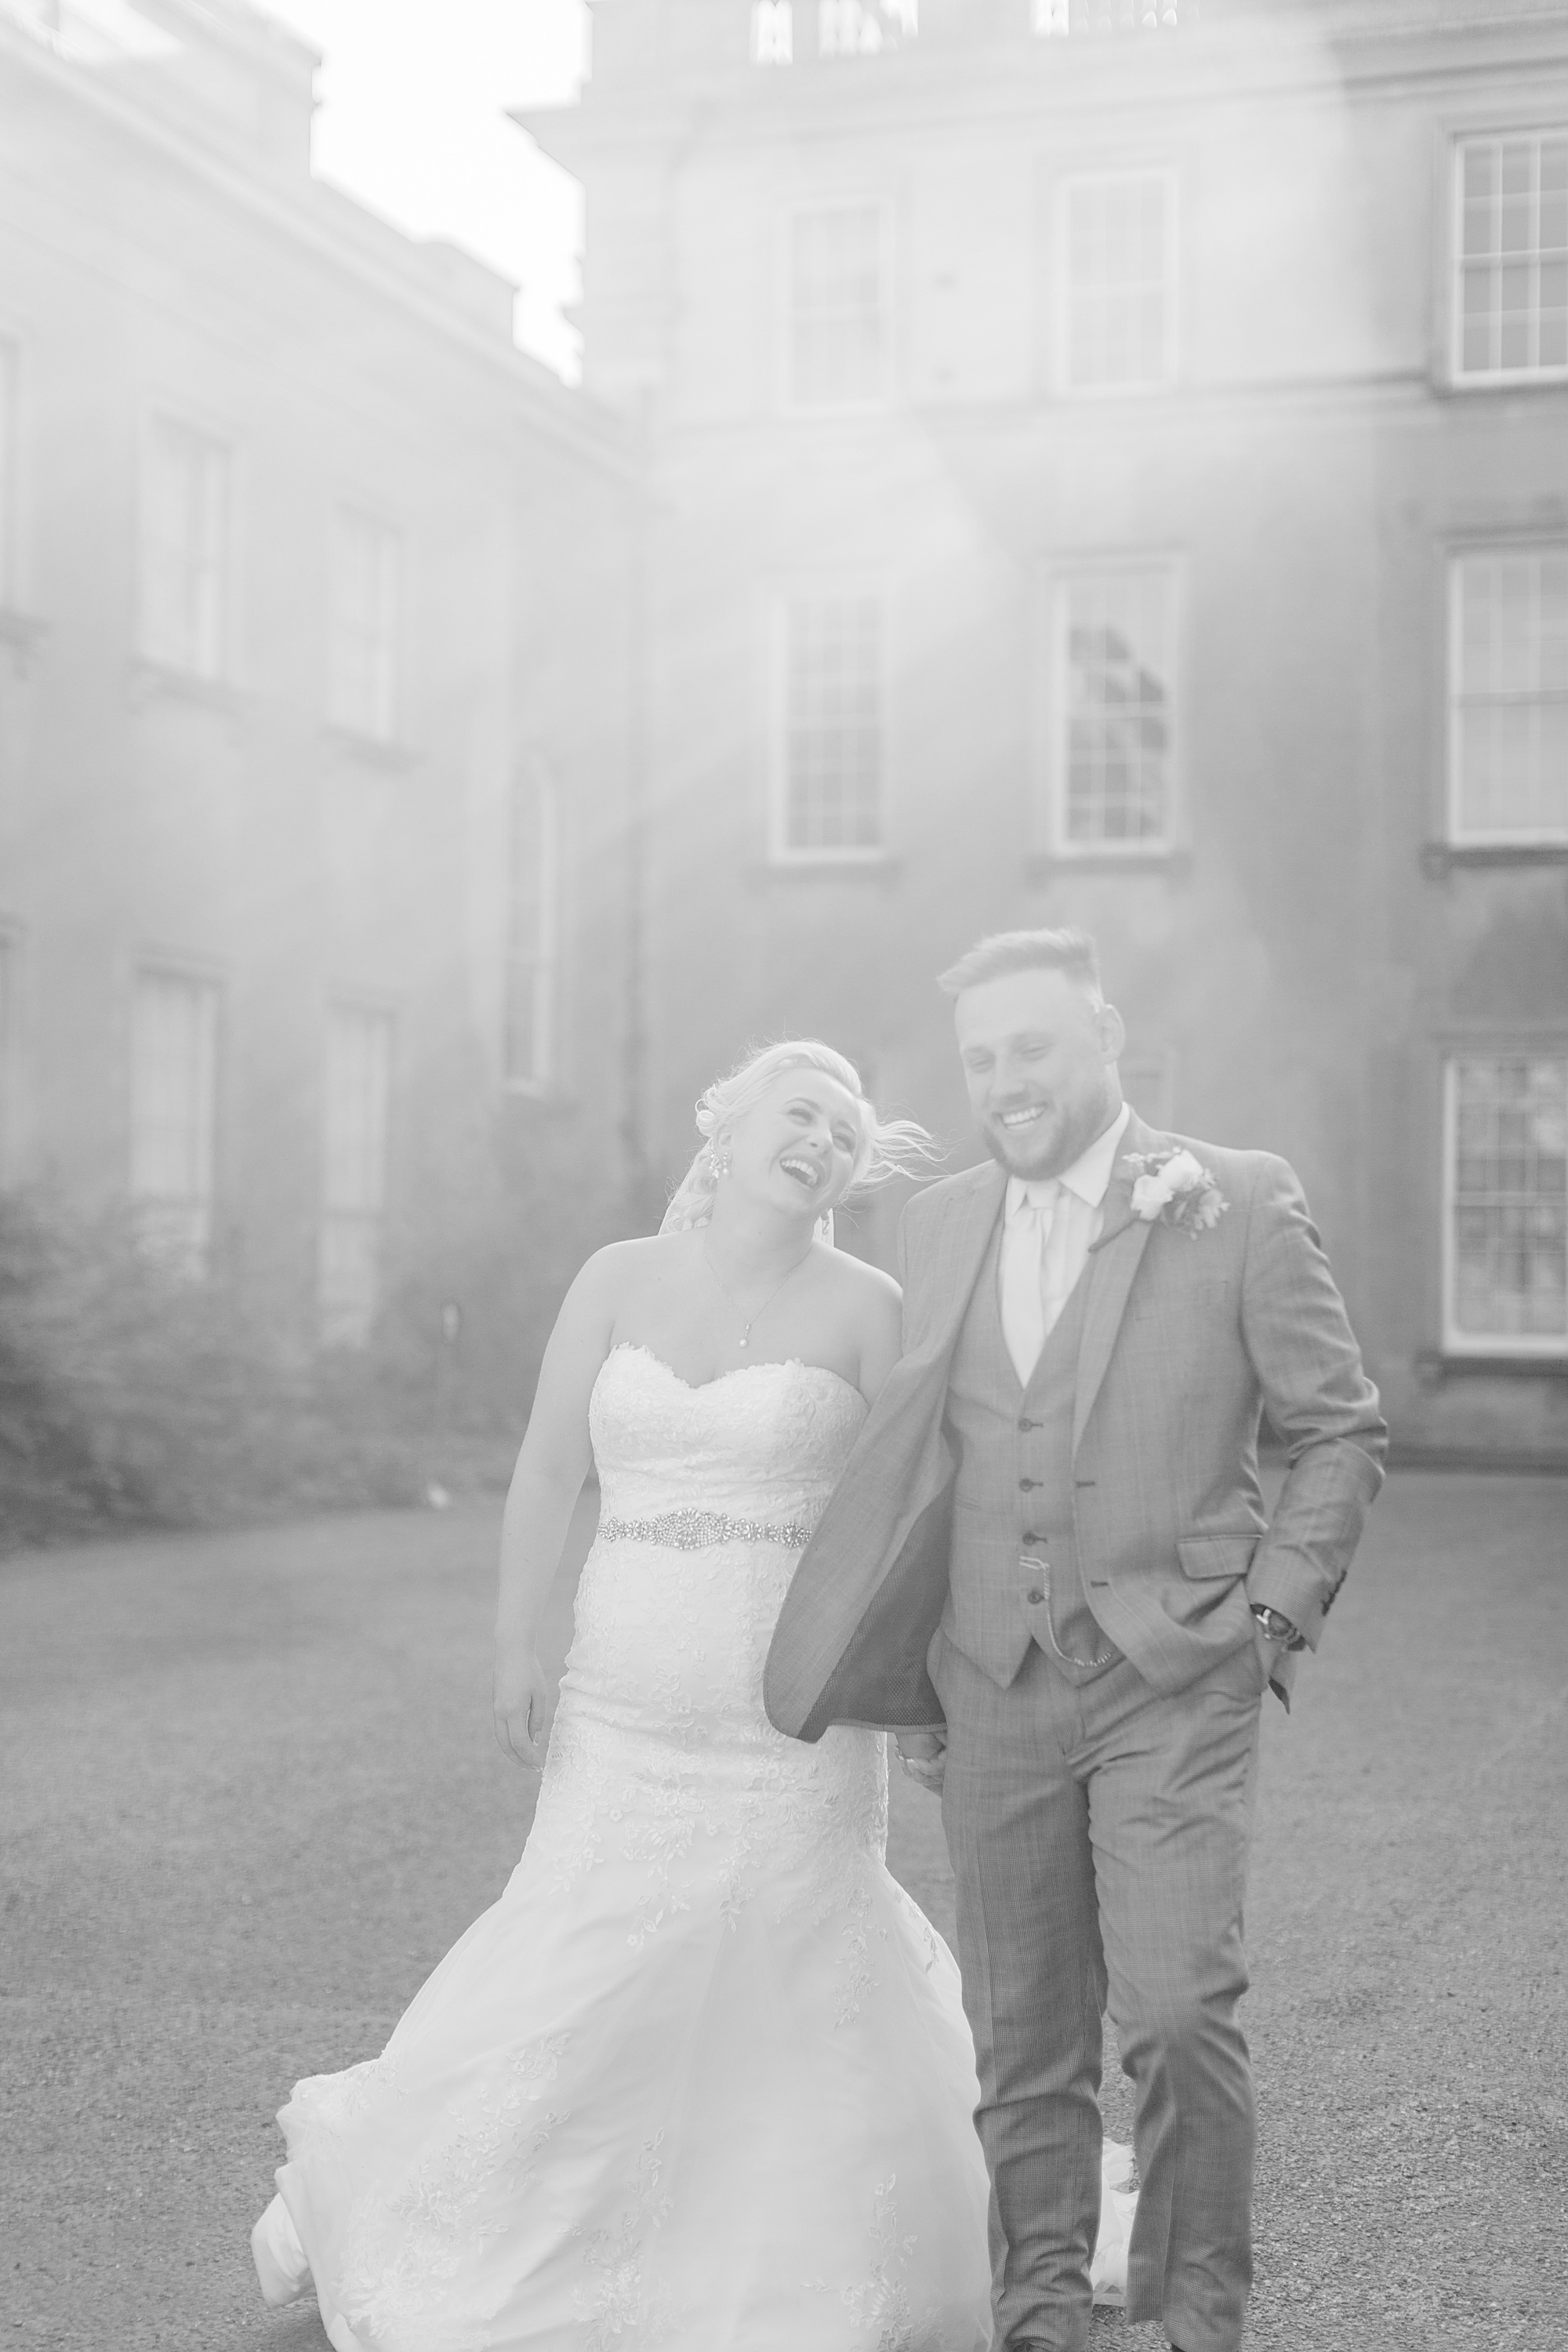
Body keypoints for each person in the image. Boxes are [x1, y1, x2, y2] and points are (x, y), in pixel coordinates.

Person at [250, 1039, 1136, 2352]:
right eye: (803, 1111)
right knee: (581, 1949)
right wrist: (515, 1644)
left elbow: (927, 1506)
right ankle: (511, 2228)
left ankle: (786, 2266)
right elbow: (550, 1468)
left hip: (796, 1715)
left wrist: (939, 1678)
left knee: (790, 1961)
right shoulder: (616, 1278)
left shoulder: (870, 1305)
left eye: (846, 1132)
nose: (824, 1140)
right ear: (727, 1124)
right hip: (619, 1693)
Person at [765, 931, 1388, 2352]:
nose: (1006, 1082)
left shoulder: (1232, 1200)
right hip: (992, 1678)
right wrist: (909, 1665)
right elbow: (927, 1457)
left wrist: (1273, 1611)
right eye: (983, 1060)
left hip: (1177, 1672)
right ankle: (1040, 2314)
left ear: (1103, 1034)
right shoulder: (933, 1222)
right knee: (1024, 2037)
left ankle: (1188, 2324)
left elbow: (1337, 1425)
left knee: (1176, 2016)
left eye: (1032, 1048)